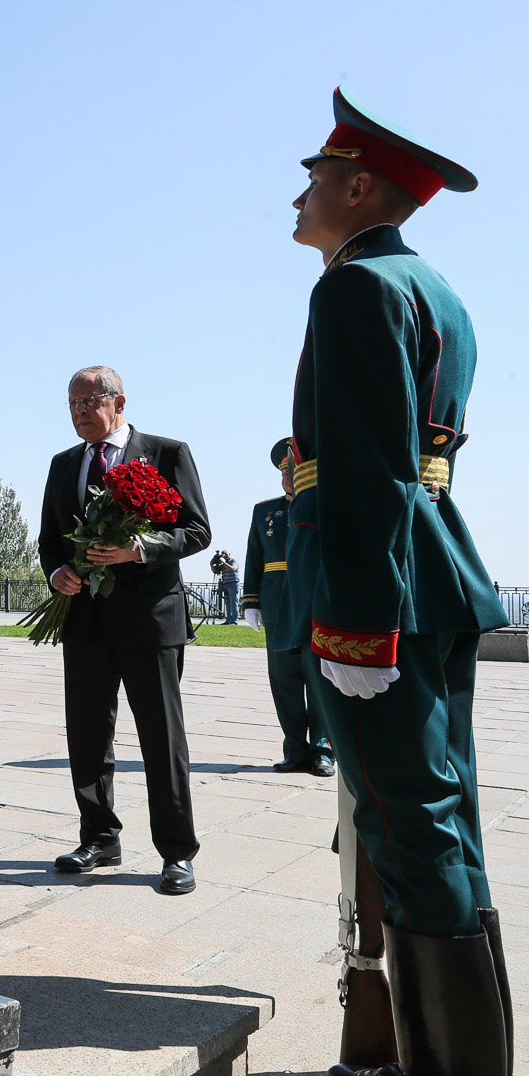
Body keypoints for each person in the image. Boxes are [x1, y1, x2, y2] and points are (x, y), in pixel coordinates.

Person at [282, 89, 510, 1076]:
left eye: (315, 180)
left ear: (360, 185)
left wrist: (359, 628)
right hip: (438, 573)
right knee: (442, 812)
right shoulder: (440, 292)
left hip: (386, 589)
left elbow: (370, 473)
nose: (298, 197)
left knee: (402, 820)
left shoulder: (354, 287)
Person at [38, 366, 209, 895]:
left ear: (119, 401)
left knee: (162, 739)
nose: (80, 412)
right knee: (87, 736)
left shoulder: (165, 452)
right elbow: (49, 538)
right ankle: (98, 836)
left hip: (150, 620)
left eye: (89, 401)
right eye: (71, 404)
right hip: (84, 620)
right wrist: (56, 572)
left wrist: (140, 550)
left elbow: (196, 530)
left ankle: (177, 852)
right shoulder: (64, 464)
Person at [243, 439, 333, 778]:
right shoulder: (265, 511)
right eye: (284, 471)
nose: (288, 478)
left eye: (294, 471)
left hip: (316, 606)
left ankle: (324, 749)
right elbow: (255, 558)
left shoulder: (328, 505)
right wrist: (251, 601)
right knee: (284, 682)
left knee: (320, 680)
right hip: (278, 605)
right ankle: (295, 749)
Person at [211, 549, 240, 624]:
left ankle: (234, 620)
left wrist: (223, 562)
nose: (225, 556)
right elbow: (215, 571)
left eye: (226, 554)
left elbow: (232, 569)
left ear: (229, 554)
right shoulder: (223, 564)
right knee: (227, 603)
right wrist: (212, 563)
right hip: (226, 583)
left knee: (233, 602)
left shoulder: (233, 561)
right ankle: (228, 620)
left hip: (233, 583)